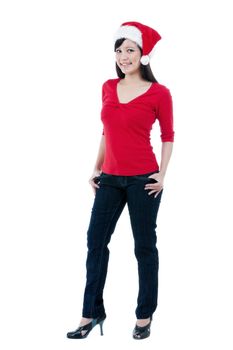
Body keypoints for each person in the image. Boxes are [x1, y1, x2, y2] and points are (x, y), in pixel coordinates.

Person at [67, 21, 175, 340]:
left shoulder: (159, 93)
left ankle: (144, 316)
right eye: (119, 50)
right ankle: (91, 313)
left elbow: (168, 137)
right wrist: (96, 167)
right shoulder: (107, 87)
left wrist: (162, 175)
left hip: (144, 180)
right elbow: (107, 132)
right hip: (110, 179)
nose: (123, 56)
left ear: (143, 55)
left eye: (130, 50)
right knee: (95, 243)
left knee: (144, 247)